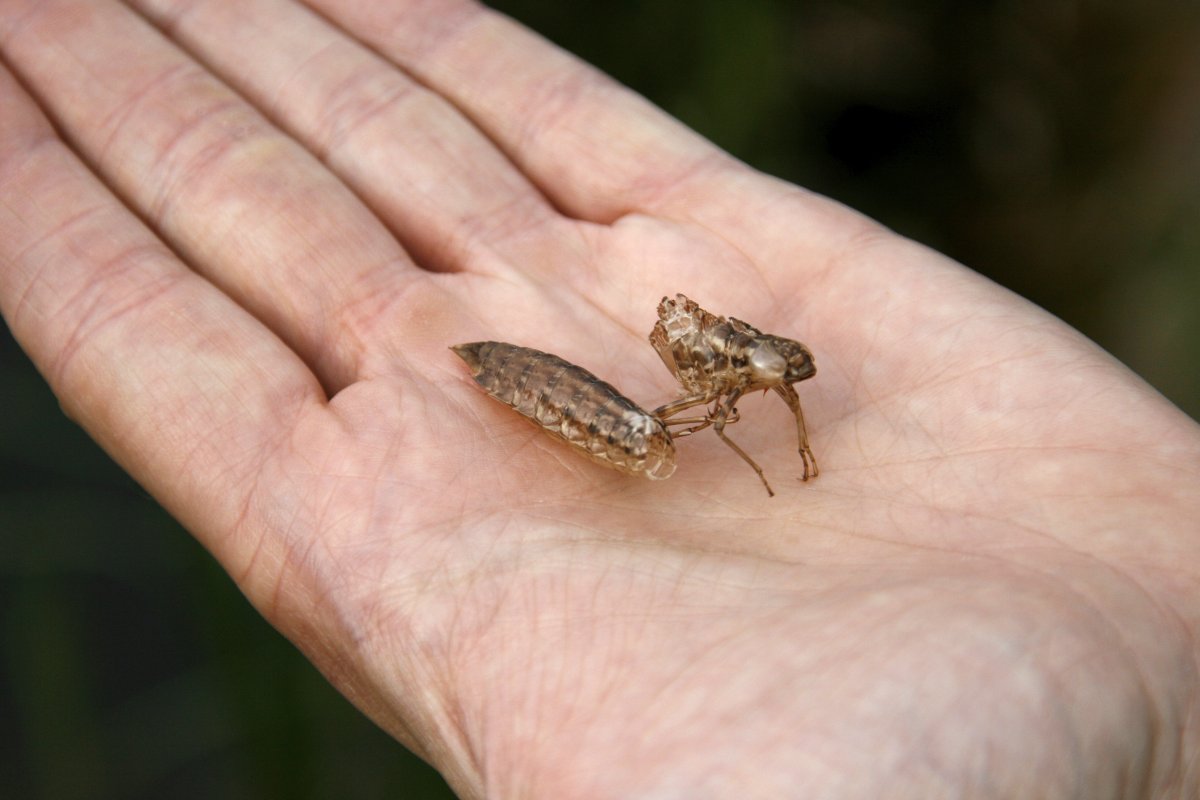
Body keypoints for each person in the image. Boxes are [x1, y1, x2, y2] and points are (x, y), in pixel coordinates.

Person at [1, 1, 1197, 796]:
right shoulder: (727, 383)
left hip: (628, 405)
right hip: (565, 386)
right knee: (621, 425)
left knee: (641, 434)